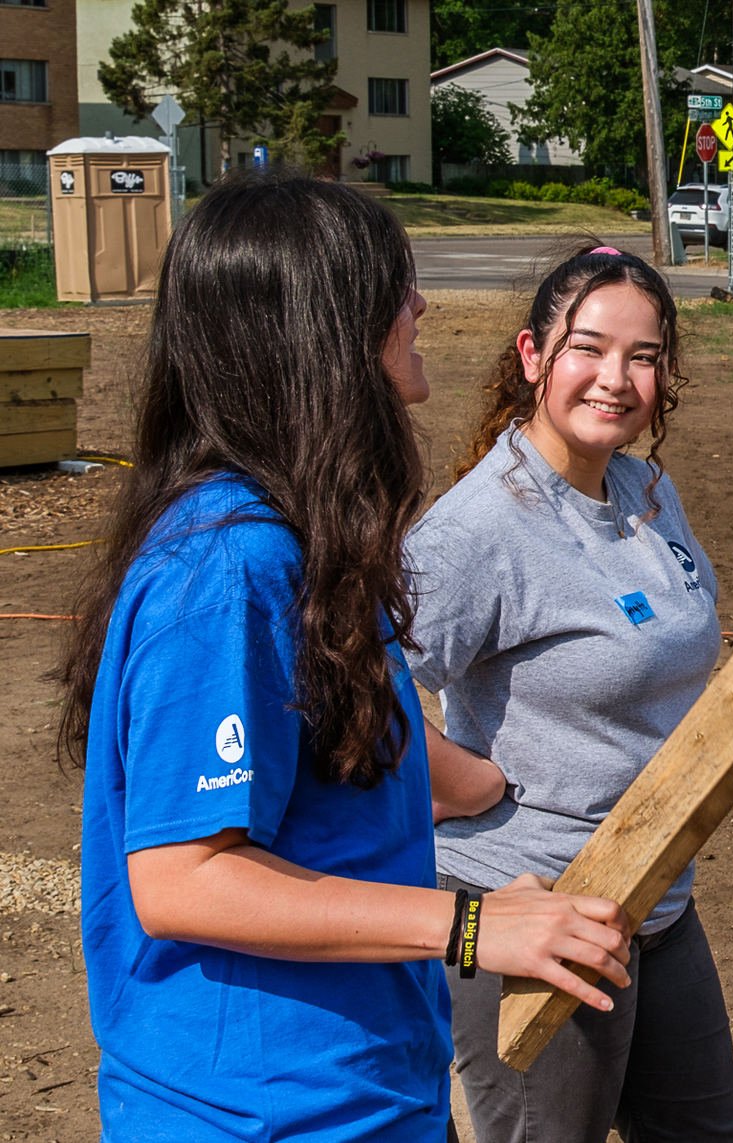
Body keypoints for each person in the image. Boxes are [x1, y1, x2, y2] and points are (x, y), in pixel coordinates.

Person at [59, 171, 633, 1142]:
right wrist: (468, 926)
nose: (419, 304)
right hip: (257, 1112)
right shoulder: (229, 566)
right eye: (393, 286)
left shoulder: (296, 542)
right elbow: (183, 877)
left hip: (359, 1096)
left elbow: (339, 767)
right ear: (320, 330)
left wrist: (501, 804)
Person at [403, 245, 733, 1142]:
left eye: (642, 356)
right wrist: (465, 784)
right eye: (589, 349)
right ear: (532, 357)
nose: (617, 379)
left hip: (656, 902)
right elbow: (359, 700)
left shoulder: (642, 487)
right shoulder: (478, 530)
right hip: (537, 915)